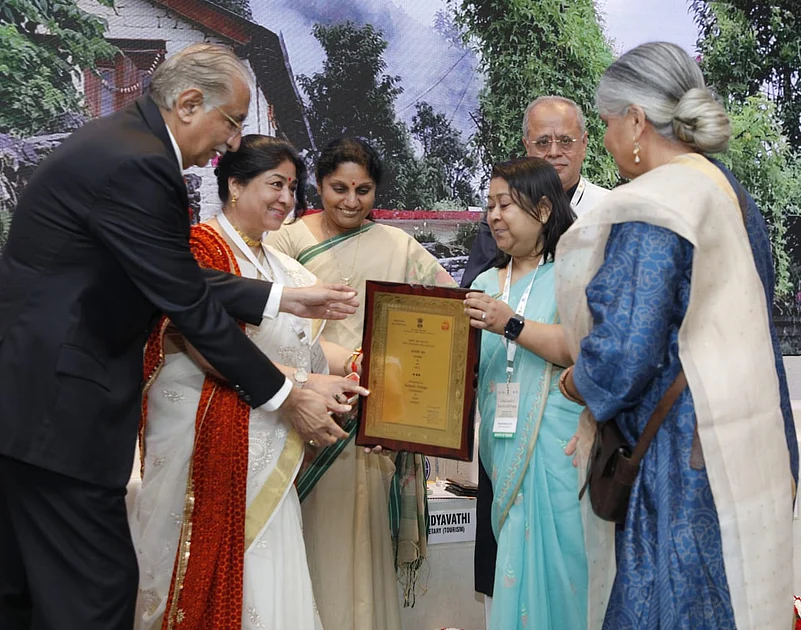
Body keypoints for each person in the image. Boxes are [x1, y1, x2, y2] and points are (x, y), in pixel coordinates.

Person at [0, 44, 357, 630]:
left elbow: (166, 273)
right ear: (189, 103)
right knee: (96, 597)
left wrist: (278, 297)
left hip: (30, 407)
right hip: (62, 415)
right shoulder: (143, 165)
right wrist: (285, 395)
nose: (233, 142)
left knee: (28, 598)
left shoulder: (120, 143)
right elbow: (186, 303)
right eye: (232, 122)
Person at [556, 42, 797, 629]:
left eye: (607, 123)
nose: (607, 140)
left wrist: (575, 382)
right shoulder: (727, 191)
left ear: (636, 121)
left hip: (681, 459)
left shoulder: (655, 205)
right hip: (751, 436)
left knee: (672, 605)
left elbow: (624, 352)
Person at [132, 135, 367, 629]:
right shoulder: (202, 248)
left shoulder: (284, 269)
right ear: (235, 185)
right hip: (207, 445)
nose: (286, 198)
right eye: (275, 184)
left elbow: (302, 349)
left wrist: (358, 364)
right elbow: (207, 348)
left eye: (293, 187)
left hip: (268, 442)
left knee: (272, 572)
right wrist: (303, 384)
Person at [267, 136, 454, 630]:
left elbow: (449, 316)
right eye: (339, 188)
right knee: (306, 544)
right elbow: (264, 329)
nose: (351, 201)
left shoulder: (399, 247)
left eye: (363, 190)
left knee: (361, 543)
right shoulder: (285, 242)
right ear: (319, 185)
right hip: (302, 416)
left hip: (372, 424)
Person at [464, 96, 609, 614]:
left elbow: (580, 347)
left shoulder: (574, 272)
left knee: (565, 577)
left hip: (560, 450)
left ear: (543, 210)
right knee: (508, 575)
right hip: (500, 447)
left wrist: (511, 322)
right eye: (490, 205)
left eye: (504, 205)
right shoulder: (485, 281)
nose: (493, 216)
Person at [461, 95, 607, 288]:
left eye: (565, 141)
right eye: (543, 142)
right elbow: (473, 293)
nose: (554, 152)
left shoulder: (613, 210)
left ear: (584, 143)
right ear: (527, 146)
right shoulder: (503, 214)